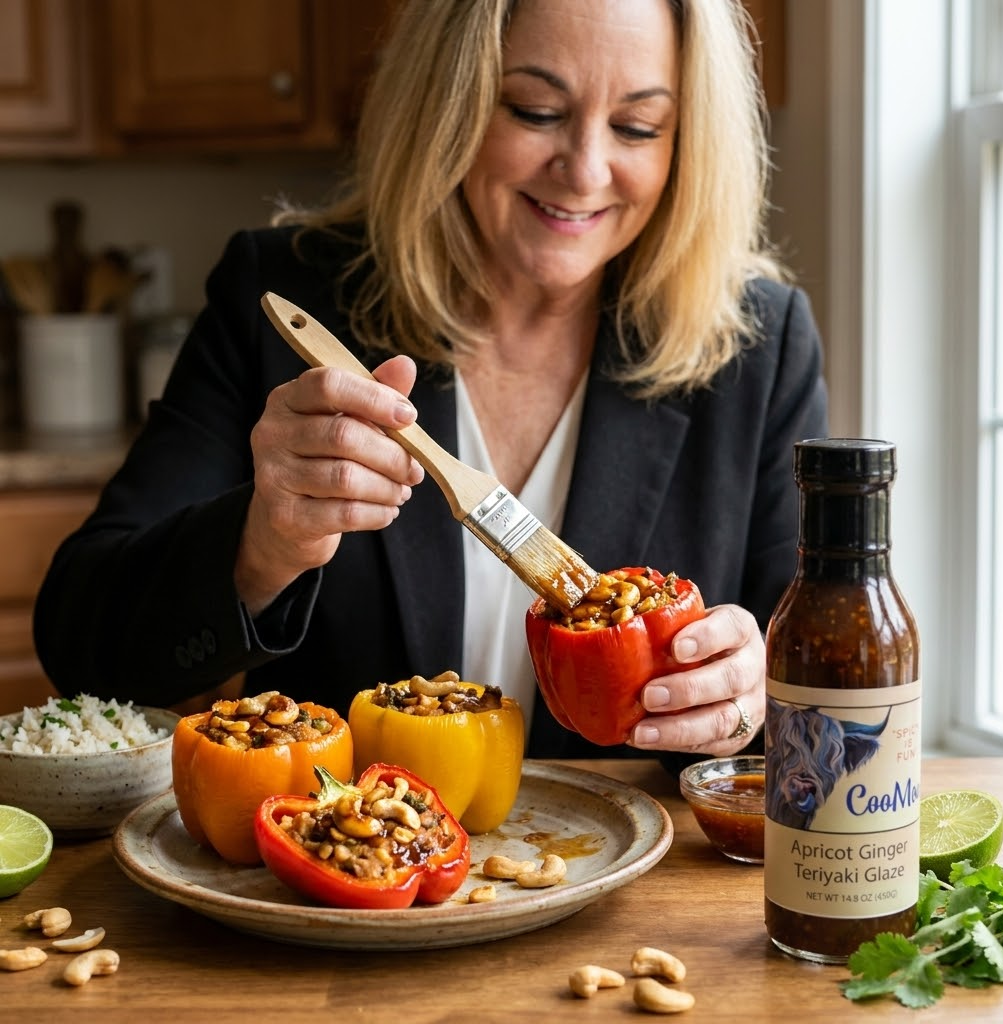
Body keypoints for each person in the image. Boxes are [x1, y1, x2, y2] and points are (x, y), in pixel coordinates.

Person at [33, 0, 827, 765]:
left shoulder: (759, 344)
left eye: (637, 127)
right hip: (347, 883)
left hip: (635, 893)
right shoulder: (283, 295)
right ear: (448, 107)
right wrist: (261, 546)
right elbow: (83, 649)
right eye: (534, 111)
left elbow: (820, 706)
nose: (585, 171)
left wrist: (750, 701)